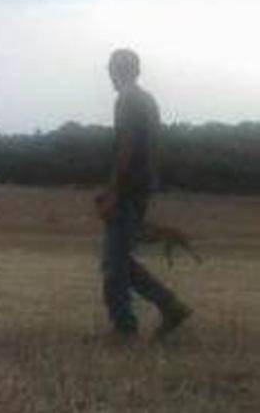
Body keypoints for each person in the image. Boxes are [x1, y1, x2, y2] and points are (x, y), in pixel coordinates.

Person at [94, 49, 191, 342]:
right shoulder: (147, 100)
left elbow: (126, 145)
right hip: (142, 186)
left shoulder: (126, 99)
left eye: (110, 68)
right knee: (118, 259)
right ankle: (170, 306)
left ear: (118, 69)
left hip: (128, 188)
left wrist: (112, 189)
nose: (108, 74)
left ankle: (125, 328)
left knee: (113, 263)